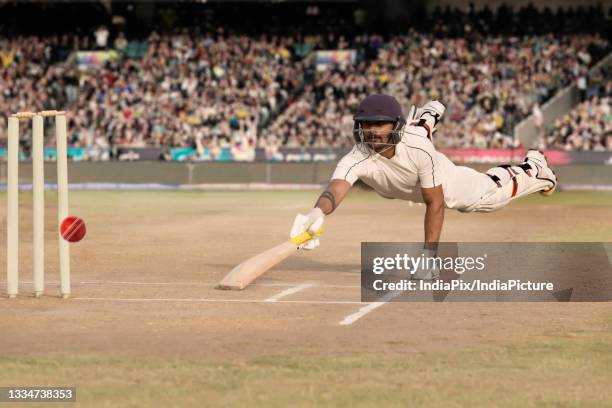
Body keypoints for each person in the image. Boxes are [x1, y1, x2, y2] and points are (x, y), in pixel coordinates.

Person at [289, 94, 557, 263]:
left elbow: (436, 204)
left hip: (446, 182)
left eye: (379, 124)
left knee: (488, 198)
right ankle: (428, 116)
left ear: (396, 125)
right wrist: (317, 212)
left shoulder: (418, 149)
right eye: (366, 124)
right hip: (408, 175)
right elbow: (336, 189)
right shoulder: (357, 156)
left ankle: (534, 168)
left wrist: (429, 259)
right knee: (421, 132)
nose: (371, 131)